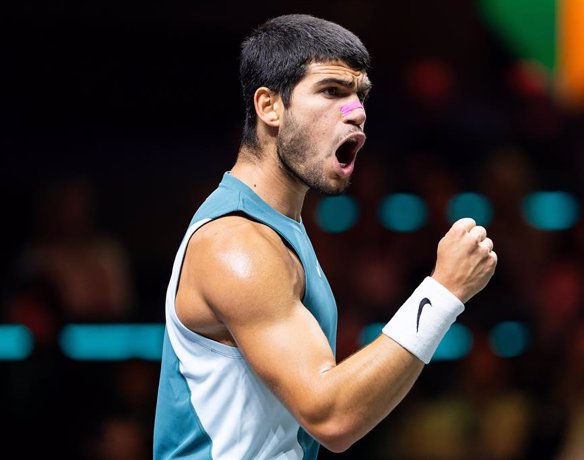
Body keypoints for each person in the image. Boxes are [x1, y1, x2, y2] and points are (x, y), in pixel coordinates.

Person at [153, 13, 497, 459]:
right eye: (332, 91)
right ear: (269, 106)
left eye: (360, 95)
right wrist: (443, 291)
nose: (356, 112)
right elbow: (331, 416)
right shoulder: (236, 245)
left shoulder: (279, 228)